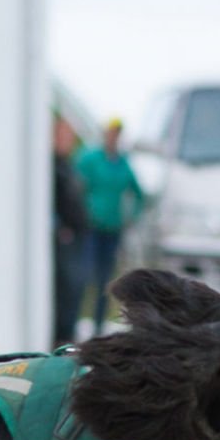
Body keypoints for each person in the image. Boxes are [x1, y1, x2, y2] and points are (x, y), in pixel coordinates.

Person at [72, 117, 144, 336]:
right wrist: (79, 213)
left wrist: (131, 217)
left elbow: (138, 193)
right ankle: (73, 323)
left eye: (118, 133)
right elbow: (74, 184)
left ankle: (98, 325)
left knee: (106, 280)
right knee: (84, 275)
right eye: (112, 132)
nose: (114, 137)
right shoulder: (90, 158)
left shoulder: (122, 162)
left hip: (112, 229)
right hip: (91, 227)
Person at [50, 116, 90, 347]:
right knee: (66, 287)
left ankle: (68, 333)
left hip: (77, 236)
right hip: (65, 237)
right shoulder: (52, 167)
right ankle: (61, 336)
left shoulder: (68, 166)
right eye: (63, 136)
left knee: (76, 286)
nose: (68, 142)